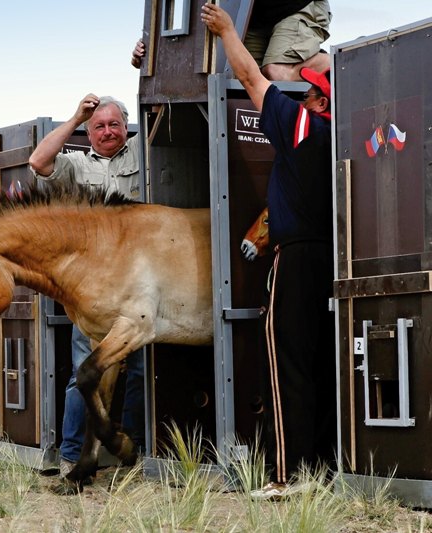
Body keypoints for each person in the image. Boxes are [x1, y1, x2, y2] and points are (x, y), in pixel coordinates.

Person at [202, 3, 335, 498]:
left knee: (286, 369)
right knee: (321, 366)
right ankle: (319, 472)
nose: (300, 99)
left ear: (317, 104)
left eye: (307, 95)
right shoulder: (338, 141)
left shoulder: (303, 129)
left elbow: (249, 76)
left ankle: (287, 476)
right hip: (330, 260)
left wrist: (227, 30)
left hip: (296, 258)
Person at [28, 94, 146, 480]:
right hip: (93, 287)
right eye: (99, 126)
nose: (108, 132)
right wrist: (76, 115)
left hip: (140, 281)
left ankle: (127, 452)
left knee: (142, 370)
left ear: (126, 126)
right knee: (84, 369)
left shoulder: (143, 151)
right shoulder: (77, 163)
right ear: (88, 132)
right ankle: (72, 452)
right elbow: (38, 162)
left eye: (114, 124)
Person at [131, 1, 331, 81]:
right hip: (252, 16)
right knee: (239, 79)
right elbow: (196, 12)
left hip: (297, 5)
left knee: (276, 71)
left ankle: (341, 63)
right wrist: (153, 52)